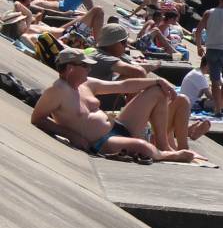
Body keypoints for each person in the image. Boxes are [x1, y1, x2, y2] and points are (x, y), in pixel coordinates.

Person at [31, 50, 202, 162]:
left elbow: (123, 86)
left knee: (157, 91)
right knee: (144, 148)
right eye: (85, 66)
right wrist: (71, 135)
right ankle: (166, 155)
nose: (89, 69)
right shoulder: (57, 91)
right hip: (103, 141)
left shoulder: (87, 84)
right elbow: (37, 118)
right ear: (69, 68)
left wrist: (158, 80)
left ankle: (164, 145)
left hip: (119, 125)